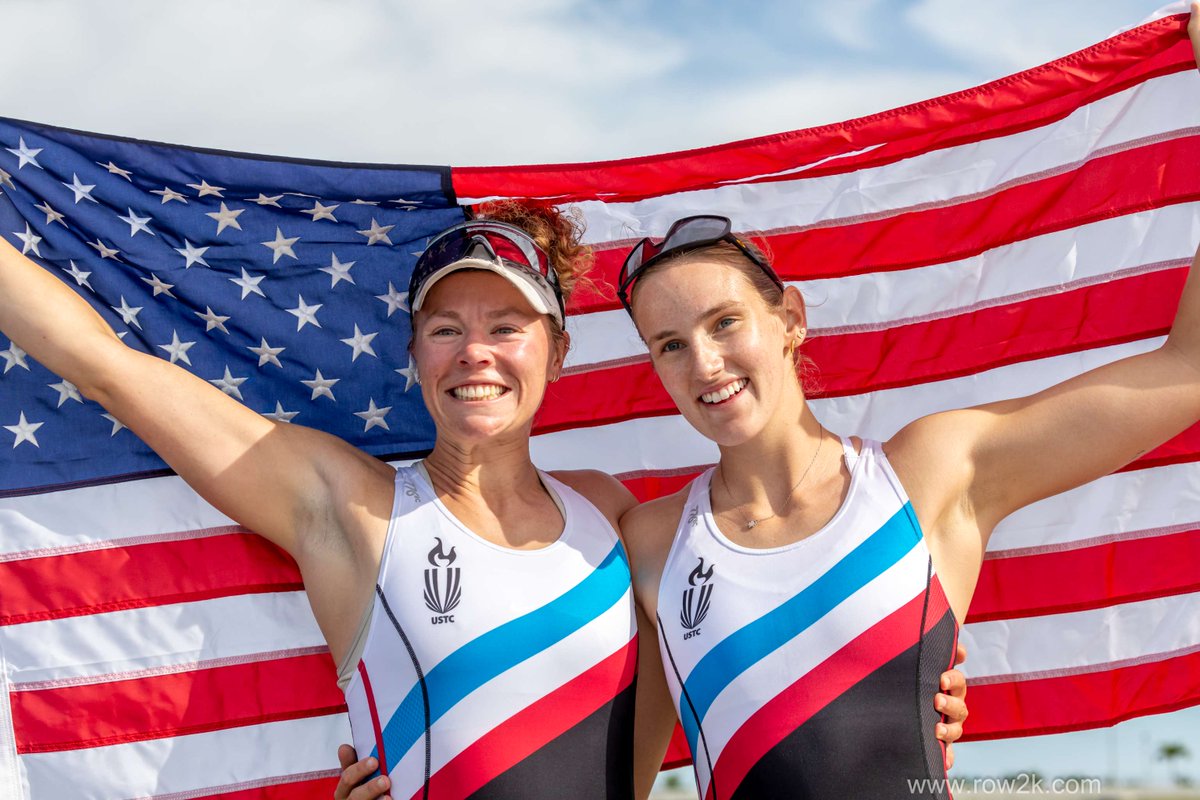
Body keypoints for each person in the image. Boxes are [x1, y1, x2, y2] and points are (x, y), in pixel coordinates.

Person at [608, 11, 1200, 798]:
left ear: (790, 320)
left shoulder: (932, 473)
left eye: (725, 324)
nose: (704, 363)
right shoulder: (648, 543)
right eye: (670, 344)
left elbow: (1187, 367)